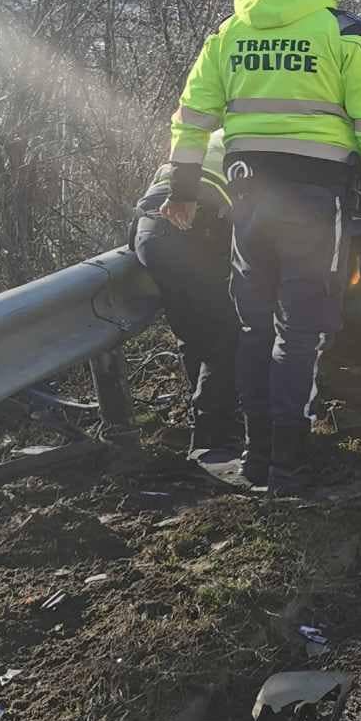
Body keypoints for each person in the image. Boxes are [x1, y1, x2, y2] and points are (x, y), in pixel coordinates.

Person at [164, 0, 361, 496]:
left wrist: (183, 190)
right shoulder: (343, 33)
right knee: (300, 334)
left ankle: (257, 459)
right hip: (316, 202)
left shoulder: (231, 31)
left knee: (254, 329)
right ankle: (290, 466)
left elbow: (192, 116)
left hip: (248, 197)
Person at [132, 131, 241, 468]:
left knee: (191, 331)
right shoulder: (248, 137)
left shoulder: (203, 138)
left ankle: (209, 422)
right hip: (197, 225)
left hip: (148, 232)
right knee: (225, 331)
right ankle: (213, 438)